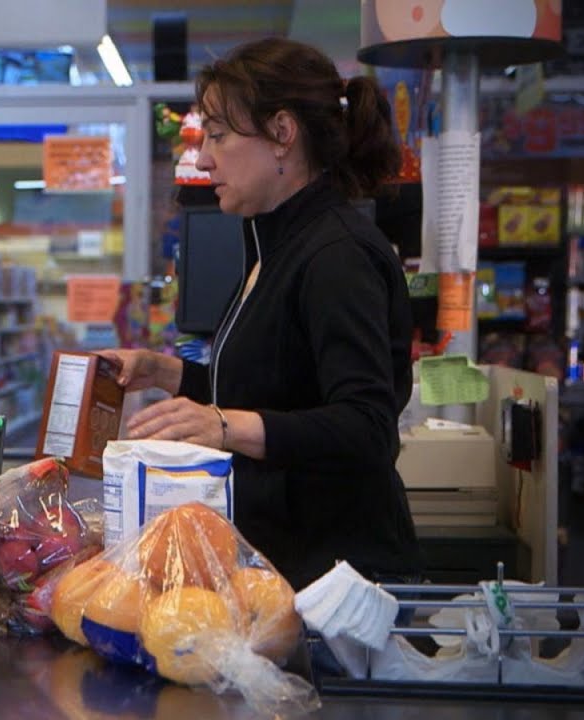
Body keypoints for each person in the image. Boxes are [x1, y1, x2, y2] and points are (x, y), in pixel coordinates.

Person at [101, 38, 421, 591]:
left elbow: (367, 426)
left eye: (219, 136)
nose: (203, 158)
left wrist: (223, 426)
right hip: (284, 568)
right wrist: (167, 373)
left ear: (281, 134)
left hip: (339, 585)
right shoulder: (274, 247)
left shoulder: (336, 255)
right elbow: (278, 387)